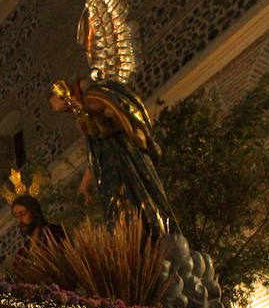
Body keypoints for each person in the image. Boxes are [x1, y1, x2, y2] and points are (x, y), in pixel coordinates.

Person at [49, 77, 177, 235]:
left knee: (138, 199)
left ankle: (153, 232)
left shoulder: (94, 97)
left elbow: (115, 117)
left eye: (55, 104)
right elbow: (94, 152)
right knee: (119, 210)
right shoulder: (81, 111)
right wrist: (84, 184)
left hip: (123, 155)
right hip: (109, 166)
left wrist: (90, 116)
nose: (57, 109)